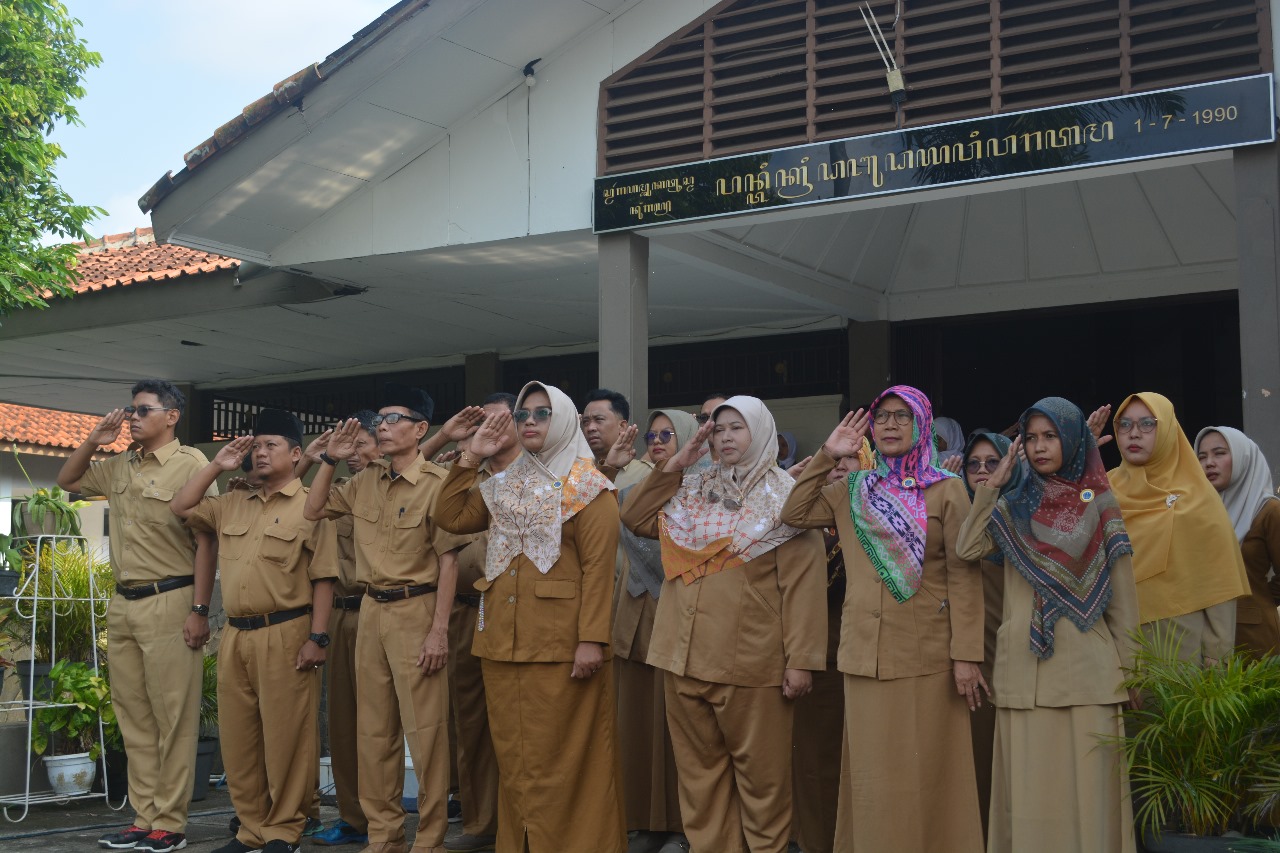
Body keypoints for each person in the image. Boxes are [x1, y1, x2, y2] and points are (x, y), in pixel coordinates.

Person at [780, 386, 985, 853]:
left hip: (927, 654)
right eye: (882, 417)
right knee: (872, 775)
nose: (890, 425)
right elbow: (794, 512)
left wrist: (967, 655)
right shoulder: (853, 489)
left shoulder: (946, 489)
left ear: (921, 425)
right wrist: (827, 454)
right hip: (864, 654)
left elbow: (964, 576)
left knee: (927, 770)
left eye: (902, 416)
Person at [621, 395, 828, 853]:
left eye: (737, 427)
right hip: (681, 655)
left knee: (762, 782)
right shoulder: (693, 488)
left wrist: (801, 661)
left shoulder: (786, 497)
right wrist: (676, 465)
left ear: (761, 431)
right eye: (718, 429)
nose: (726, 437)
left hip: (750, 662)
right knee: (699, 779)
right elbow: (634, 517)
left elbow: (803, 586)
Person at [434, 381, 626, 853]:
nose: (530, 422)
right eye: (523, 415)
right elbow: (451, 517)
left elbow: (600, 571)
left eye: (543, 413)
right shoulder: (504, 484)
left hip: (563, 647)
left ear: (563, 421)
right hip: (502, 643)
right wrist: (470, 457)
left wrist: (592, 640)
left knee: (565, 762)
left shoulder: (590, 487)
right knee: (515, 761)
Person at [955, 398, 1139, 853]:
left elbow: (1122, 601)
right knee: (1029, 802)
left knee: (1090, 800)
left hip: (1088, 677)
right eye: (1031, 438)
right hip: (1025, 674)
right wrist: (992, 487)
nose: (1039, 447)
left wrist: (1133, 671)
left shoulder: (1099, 503)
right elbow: (968, 548)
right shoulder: (1011, 505)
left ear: (1071, 440)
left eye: (1051, 436)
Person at [304, 384, 470, 853]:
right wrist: (329, 460)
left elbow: (449, 563)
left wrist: (439, 632)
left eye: (395, 419)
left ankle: (430, 840)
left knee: (426, 733)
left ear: (421, 429)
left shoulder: (437, 483)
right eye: (380, 419)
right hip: (371, 610)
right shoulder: (365, 481)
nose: (383, 426)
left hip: (417, 609)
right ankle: (384, 837)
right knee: (373, 733)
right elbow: (313, 509)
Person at [58, 380, 216, 853]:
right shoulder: (121, 464)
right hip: (124, 603)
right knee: (134, 717)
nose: (132, 418)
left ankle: (170, 822)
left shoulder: (192, 464)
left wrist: (200, 610)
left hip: (171, 598)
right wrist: (93, 441)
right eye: (131, 410)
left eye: (144, 410)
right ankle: (144, 817)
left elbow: (207, 541)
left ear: (172, 416)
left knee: (174, 718)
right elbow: (68, 482)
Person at [172, 409, 339, 853]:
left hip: (286, 631)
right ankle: (251, 830)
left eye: (272, 445)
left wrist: (318, 637)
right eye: (257, 445)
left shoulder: (311, 506)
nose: (261, 452)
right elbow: (182, 506)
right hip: (236, 635)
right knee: (239, 739)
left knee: (287, 738)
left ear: (297, 454)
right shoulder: (232, 503)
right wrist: (217, 464)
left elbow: (324, 577)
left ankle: (284, 829)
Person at [290, 411, 382, 848]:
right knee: (343, 724)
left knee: (382, 723)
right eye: (349, 445)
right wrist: (312, 459)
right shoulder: (338, 491)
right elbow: (289, 500)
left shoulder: (391, 488)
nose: (354, 453)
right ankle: (353, 817)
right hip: (341, 615)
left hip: (379, 609)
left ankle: (385, 819)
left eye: (362, 444)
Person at [1107, 393, 1248, 665]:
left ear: (1168, 430)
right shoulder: (1103, 490)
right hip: (1117, 647)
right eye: (1124, 424)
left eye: (1147, 424)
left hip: (1182, 650)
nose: (1134, 433)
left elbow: (1220, 581)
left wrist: (1217, 654)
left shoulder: (1198, 497)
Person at [612, 410, 698, 853]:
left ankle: (684, 826)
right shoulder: (632, 493)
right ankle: (645, 822)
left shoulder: (705, 493)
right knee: (638, 727)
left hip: (682, 620)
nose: (658, 440)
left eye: (669, 434)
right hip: (635, 617)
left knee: (678, 730)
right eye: (652, 435)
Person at [443, 393, 517, 853]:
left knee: (515, 720)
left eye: (499, 420)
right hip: (465, 611)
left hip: (514, 610)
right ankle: (481, 822)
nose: (488, 428)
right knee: (470, 722)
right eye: (481, 422)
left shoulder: (539, 475)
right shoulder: (465, 475)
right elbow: (446, 546)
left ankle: (518, 824)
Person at [789, 441, 868, 853]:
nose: (839, 468)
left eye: (849, 459)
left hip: (872, 655)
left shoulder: (884, 517)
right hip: (820, 659)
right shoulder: (803, 521)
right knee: (820, 761)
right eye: (832, 461)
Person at [957, 431, 1020, 842]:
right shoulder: (958, 515)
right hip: (973, 658)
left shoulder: (1022, 513)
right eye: (973, 464)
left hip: (1017, 654)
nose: (982, 470)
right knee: (978, 757)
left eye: (992, 462)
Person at [1195, 426, 1280, 657]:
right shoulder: (1196, 512)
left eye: (1219, 453)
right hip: (1203, 639)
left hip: (1252, 638)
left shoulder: (1268, 511)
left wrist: (1259, 599)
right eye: (1202, 457)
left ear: (1243, 457)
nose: (1209, 463)